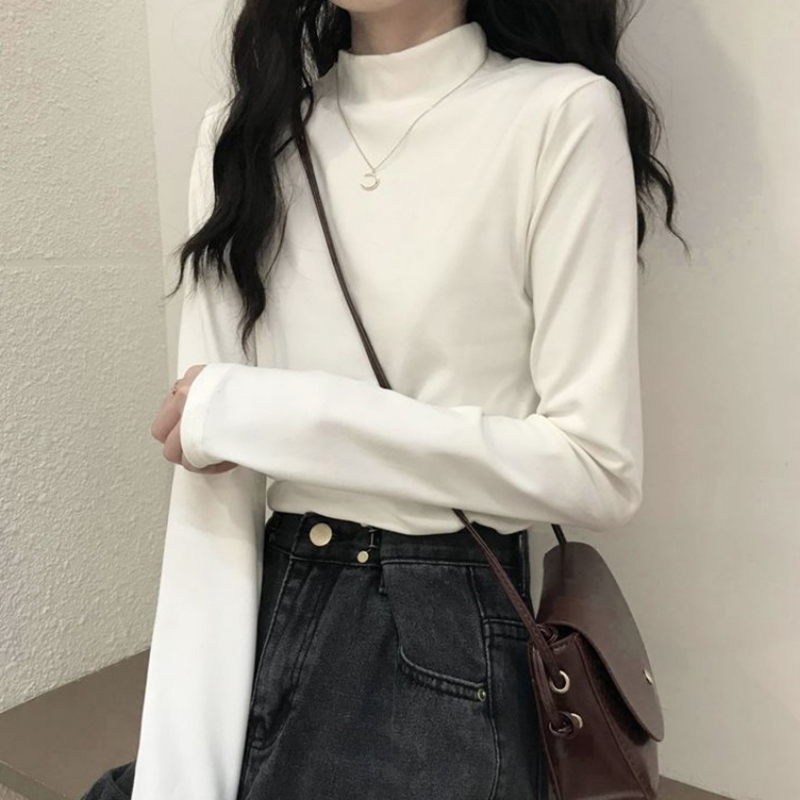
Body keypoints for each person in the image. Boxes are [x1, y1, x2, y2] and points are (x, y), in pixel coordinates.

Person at [81, 1, 687, 799]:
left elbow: (597, 468)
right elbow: (213, 487)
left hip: (446, 639)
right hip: (263, 613)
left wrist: (277, 416)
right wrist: (180, 775)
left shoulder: (558, 113)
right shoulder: (244, 133)